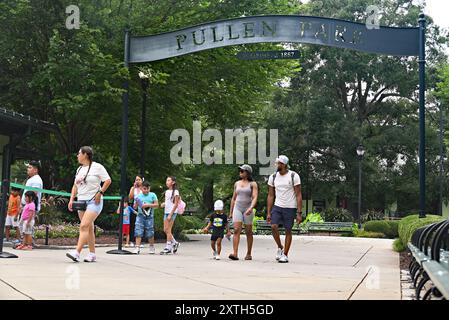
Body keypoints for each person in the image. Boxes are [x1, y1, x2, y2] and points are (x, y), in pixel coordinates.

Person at [66, 146, 112, 263]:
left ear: (85, 154)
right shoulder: (79, 169)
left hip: (94, 201)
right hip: (81, 202)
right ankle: (92, 254)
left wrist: (100, 193)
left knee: (83, 226)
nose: (77, 156)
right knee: (89, 228)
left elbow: (107, 180)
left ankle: (77, 252)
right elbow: (75, 186)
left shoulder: (97, 167)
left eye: (79, 153)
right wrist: (71, 199)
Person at [266, 155, 302, 263]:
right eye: (277, 163)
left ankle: (285, 255)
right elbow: (270, 195)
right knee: (273, 226)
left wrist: (299, 213)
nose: (277, 165)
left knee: (288, 230)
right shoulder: (273, 177)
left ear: (284, 164)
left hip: (290, 207)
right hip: (277, 206)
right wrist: (268, 212)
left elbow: (298, 195)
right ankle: (280, 247)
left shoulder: (293, 176)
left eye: (279, 163)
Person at [229, 164, 258, 261]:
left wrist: (251, 207)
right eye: (240, 171)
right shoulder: (236, 183)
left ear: (247, 173)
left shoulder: (253, 184)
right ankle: (235, 253)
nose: (240, 172)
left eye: (242, 171)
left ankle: (249, 253)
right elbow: (233, 198)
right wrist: (231, 211)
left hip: (247, 209)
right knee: (236, 230)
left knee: (248, 231)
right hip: (237, 208)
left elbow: (254, 197)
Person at [133, 181, 158, 255]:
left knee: (150, 231)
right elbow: (134, 207)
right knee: (138, 230)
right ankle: (137, 247)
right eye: (144, 189)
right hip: (140, 215)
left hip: (150, 216)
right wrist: (137, 203)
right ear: (141, 188)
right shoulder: (138, 196)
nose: (146, 190)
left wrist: (148, 205)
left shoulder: (153, 195)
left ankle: (151, 246)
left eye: (148, 189)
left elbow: (156, 205)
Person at [160, 176, 180, 254]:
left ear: (173, 182)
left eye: (168, 180)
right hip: (166, 211)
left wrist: (170, 215)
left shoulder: (176, 192)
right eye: (166, 180)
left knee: (168, 230)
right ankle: (175, 243)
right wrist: (164, 204)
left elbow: (175, 204)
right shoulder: (167, 191)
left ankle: (168, 247)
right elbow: (169, 202)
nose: (167, 182)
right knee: (165, 229)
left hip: (172, 212)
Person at [128, 175, 144, 246]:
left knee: (141, 224)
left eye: (139, 180)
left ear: (142, 180)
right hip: (134, 207)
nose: (137, 181)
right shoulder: (133, 188)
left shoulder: (144, 188)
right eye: (136, 180)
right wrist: (134, 187)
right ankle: (132, 240)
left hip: (142, 207)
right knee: (133, 223)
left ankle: (140, 241)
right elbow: (130, 197)